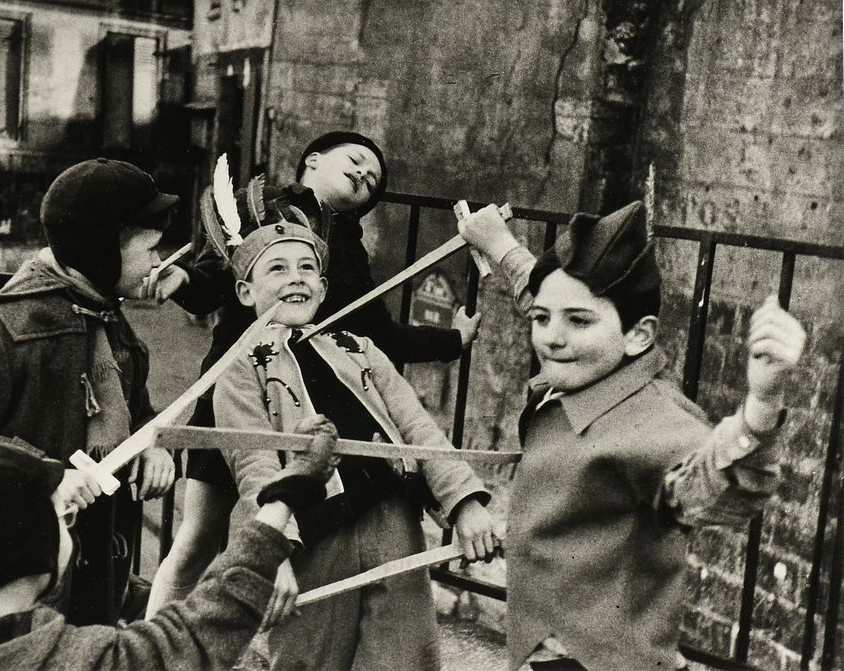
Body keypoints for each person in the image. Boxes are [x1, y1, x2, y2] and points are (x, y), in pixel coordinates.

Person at [457, 201, 807, 671]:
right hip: (545, 648)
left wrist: (761, 405)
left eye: (578, 321)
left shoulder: (652, 418)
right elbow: (545, 295)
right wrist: (499, 244)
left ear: (639, 336)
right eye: (541, 319)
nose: (551, 338)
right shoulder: (589, 360)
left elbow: (713, 488)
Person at [145, 131, 482, 614]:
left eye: (373, 182)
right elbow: (212, 285)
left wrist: (452, 340)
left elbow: (375, 331)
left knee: (302, 528)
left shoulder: (347, 245)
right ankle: (153, 648)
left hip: (307, 400)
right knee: (199, 536)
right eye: (359, 160)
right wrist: (181, 282)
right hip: (240, 385)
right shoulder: (262, 209)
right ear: (313, 159)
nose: (366, 176)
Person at [205, 203, 500, 670]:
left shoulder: (359, 349)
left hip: (392, 522)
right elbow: (254, 465)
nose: (296, 278)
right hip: (311, 536)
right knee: (309, 660)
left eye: (307, 269)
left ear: (323, 288)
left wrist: (464, 502)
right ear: (245, 292)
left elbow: (418, 429)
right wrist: (270, 552)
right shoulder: (240, 370)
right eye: (277, 269)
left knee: (404, 658)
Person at [0, 159, 185, 626]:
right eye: (150, 249)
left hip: (87, 564)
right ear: (101, 249)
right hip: (1, 583)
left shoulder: (108, 320)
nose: (159, 263)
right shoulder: (1, 328)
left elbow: (134, 413)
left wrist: (155, 443)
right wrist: (43, 477)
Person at [0, 430, 338, 670]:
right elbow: (197, 633)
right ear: (38, 552)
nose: (70, 528)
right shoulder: (79, 659)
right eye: (61, 520)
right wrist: (284, 498)